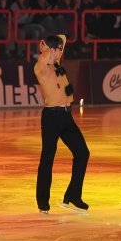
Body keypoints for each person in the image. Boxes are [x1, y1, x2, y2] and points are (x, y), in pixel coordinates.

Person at [34, 34, 90, 213]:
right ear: (52, 50)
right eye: (59, 49)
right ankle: (43, 202)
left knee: (82, 153)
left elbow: (64, 37)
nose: (62, 51)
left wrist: (54, 45)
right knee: (47, 159)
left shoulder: (58, 65)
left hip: (67, 116)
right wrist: (45, 50)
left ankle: (72, 196)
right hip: (52, 117)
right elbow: (45, 58)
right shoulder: (41, 67)